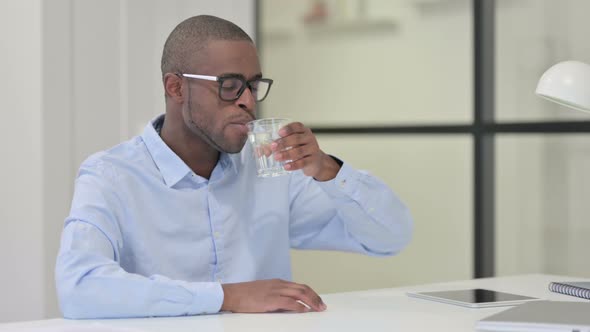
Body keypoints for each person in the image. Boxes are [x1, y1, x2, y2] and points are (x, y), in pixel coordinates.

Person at [55, 15, 413, 319]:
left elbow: (390, 238)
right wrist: (226, 296)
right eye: (229, 86)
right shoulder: (112, 175)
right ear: (176, 87)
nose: (246, 101)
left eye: (253, 85)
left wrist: (326, 169)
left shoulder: (270, 169)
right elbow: (79, 287)